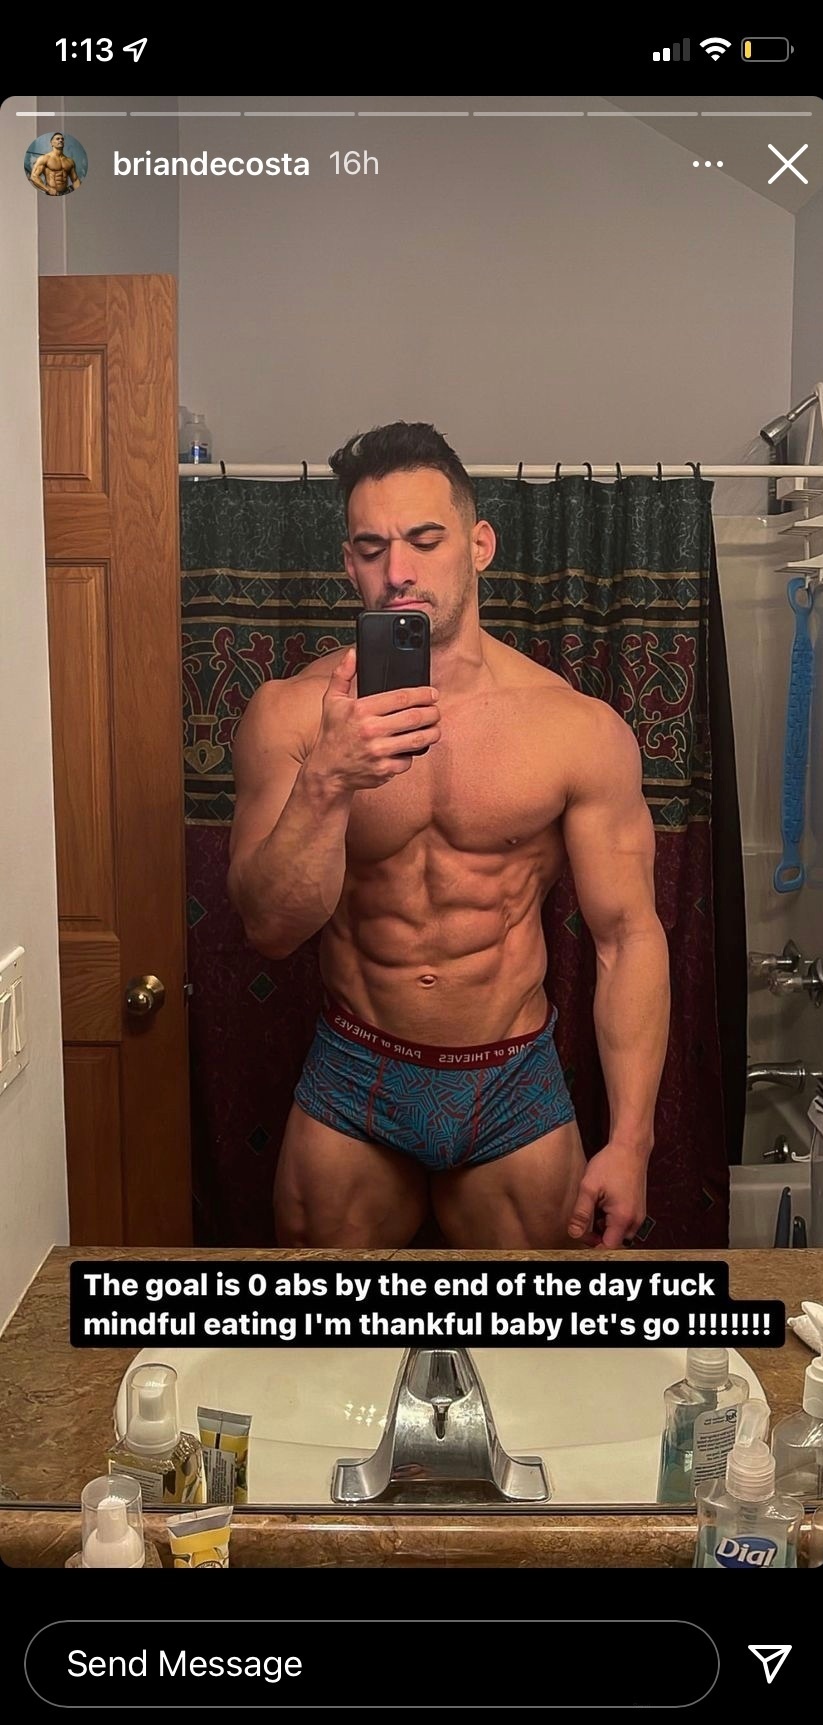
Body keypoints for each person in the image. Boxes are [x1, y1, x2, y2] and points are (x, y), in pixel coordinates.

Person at [227, 422, 670, 1248]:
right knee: (322, 1327)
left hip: (510, 1082)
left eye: (425, 541)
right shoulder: (291, 715)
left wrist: (633, 1142)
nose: (398, 571)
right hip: (356, 1070)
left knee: (534, 1327)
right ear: (348, 563)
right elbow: (270, 929)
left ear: (479, 545)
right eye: (372, 548)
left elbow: (627, 937)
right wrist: (328, 780)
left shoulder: (574, 728)